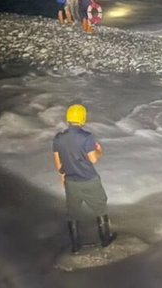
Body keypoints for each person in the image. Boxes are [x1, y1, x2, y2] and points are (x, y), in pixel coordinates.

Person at [52, 104, 117, 253]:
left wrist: (63, 176)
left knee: (72, 212)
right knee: (100, 207)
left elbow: (58, 163)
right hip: (89, 179)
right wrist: (99, 150)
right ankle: (105, 239)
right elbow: (93, 159)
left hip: (71, 181)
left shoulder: (58, 138)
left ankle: (75, 245)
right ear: (82, 118)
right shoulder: (87, 137)